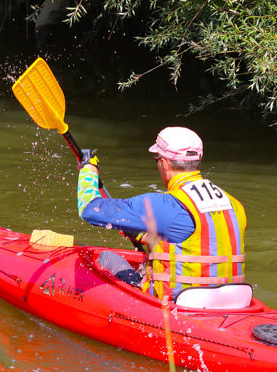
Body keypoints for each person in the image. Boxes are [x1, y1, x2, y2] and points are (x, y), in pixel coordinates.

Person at [76, 126, 246, 301]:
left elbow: (89, 208)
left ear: (164, 164)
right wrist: (142, 235)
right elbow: (198, 242)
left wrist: (89, 171)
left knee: (106, 257)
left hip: (181, 306)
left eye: (156, 159)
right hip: (234, 302)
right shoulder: (234, 204)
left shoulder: (163, 205)